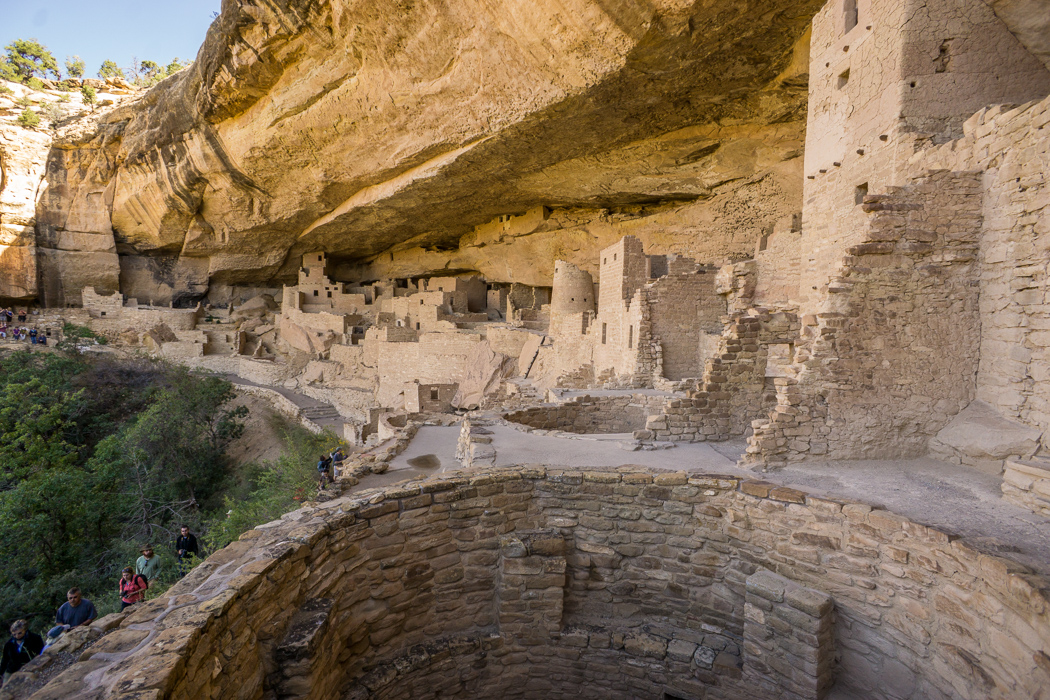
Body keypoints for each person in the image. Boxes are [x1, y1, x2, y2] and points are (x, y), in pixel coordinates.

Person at [0, 620, 43, 684]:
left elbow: (40, 652)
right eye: (14, 634)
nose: (17, 636)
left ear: (25, 630)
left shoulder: (35, 638)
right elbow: (5, 660)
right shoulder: (9, 644)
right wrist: (1, 673)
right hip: (12, 671)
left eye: (20, 633)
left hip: (30, 668)